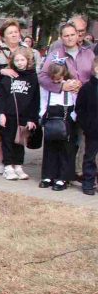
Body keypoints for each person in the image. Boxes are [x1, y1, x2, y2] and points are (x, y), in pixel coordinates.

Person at [38, 21, 94, 182]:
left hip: (84, 102)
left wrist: (81, 86)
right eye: (66, 35)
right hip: (64, 105)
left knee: (84, 140)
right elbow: (42, 77)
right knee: (65, 141)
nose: (69, 38)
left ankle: (83, 172)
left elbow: (93, 75)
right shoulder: (56, 54)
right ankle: (61, 174)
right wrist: (62, 85)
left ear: (78, 35)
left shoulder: (88, 54)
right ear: (61, 37)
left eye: (72, 35)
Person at [0, 19, 25, 175]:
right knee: (0, 129)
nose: (14, 35)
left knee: (19, 128)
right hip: (0, 96)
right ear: (3, 36)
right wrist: (2, 72)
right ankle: (3, 161)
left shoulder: (26, 51)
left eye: (16, 31)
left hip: (21, 96)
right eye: (10, 33)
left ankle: (16, 162)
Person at [0, 47, 40, 181]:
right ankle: (8, 166)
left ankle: (18, 165)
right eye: (17, 60)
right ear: (12, 61)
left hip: (24, 116)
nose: (20, 63)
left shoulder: (32, 77)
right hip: (9, 114)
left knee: (20, 142)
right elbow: (2, 96)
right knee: (7, 141)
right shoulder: (9, 76)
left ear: (28, 61)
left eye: (22, 60)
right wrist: (1, 113)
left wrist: (33, 118)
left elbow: (35, 99)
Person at [39, 62, 77, 191]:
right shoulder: (48, 86)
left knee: (66, 149)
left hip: (66, 117)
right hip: (51, 116)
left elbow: (76, 100)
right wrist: (43, 114)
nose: (56, 81)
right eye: (54, 79)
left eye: (59, 78)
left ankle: (62, 177)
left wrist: (73, 116)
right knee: (50, 148)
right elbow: (43, 100)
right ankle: (48, 175)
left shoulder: (71, 84)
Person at [76, 56, 98, 195]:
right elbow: (80, 109)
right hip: (93, 129)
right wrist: (86, 125)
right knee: (90, 156)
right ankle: (88, 182)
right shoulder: (87, 88)